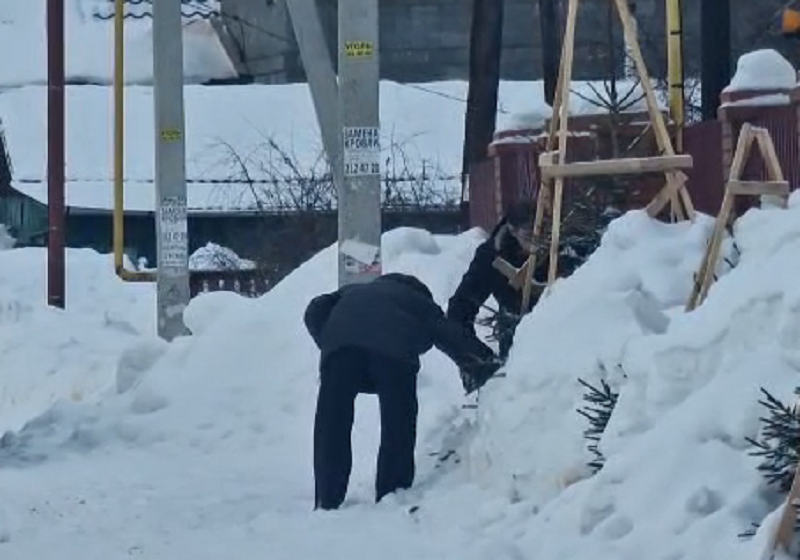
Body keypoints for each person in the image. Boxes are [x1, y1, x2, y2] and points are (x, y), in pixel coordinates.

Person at [304, 272, 501, 510]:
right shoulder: (419, 303)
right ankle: (391, 492)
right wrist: (492, 371)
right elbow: (454, 338)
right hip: (393, 353)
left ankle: (327, 498)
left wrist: (327, 340)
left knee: (332, 422)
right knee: (398, 421)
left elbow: (315, 310)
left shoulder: (354, 290)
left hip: (340, 350)